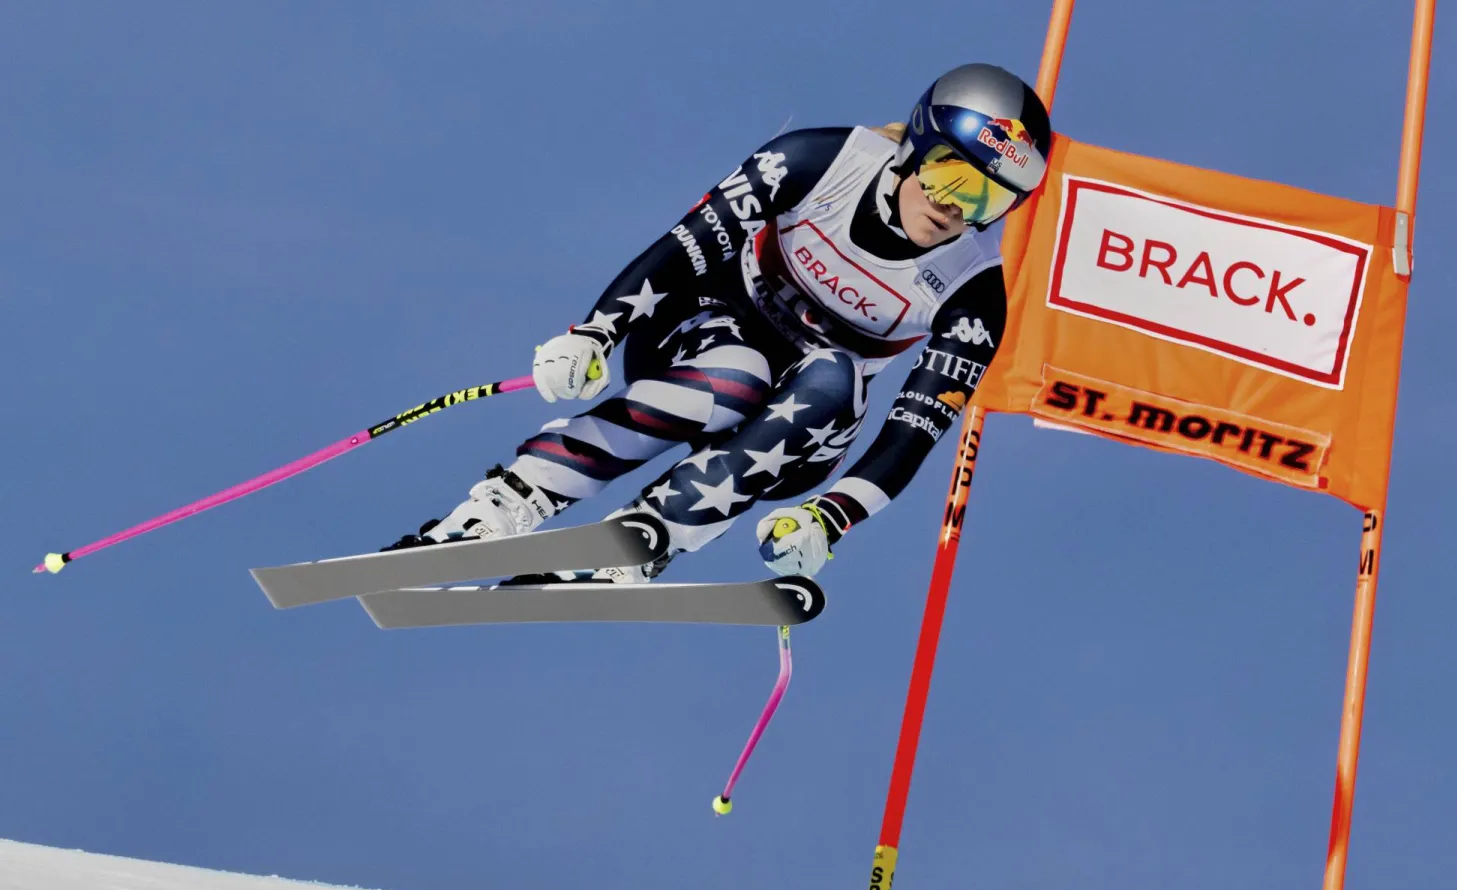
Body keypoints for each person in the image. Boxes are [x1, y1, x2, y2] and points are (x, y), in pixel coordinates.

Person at [387, 63, 1052, 583]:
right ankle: (509, 503)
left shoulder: (973, 294)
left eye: (988, 198)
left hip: (804, 433)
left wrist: (831, 518)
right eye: (949, 177)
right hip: (698, 336)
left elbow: (913, 432)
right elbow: (686, 246)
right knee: (736, 372)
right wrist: (596, 331)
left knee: (832, 375)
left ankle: (650, 535)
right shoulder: (818, 163)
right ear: (915, 145)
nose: (953, 210)